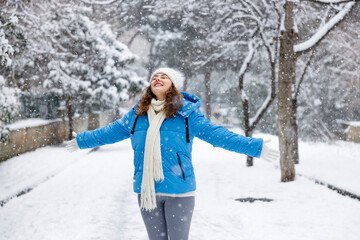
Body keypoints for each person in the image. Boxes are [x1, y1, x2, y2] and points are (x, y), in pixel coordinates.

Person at [65, 67, 279, 240]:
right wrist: (82, 140)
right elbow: (109, 132)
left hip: (180, 191)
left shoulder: (187, 115)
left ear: (173, 85)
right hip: (147, 192)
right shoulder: (137, 115)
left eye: (164, 77)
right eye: (155, 77)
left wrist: (255, 147)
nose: (157, 79)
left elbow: (220, 136)